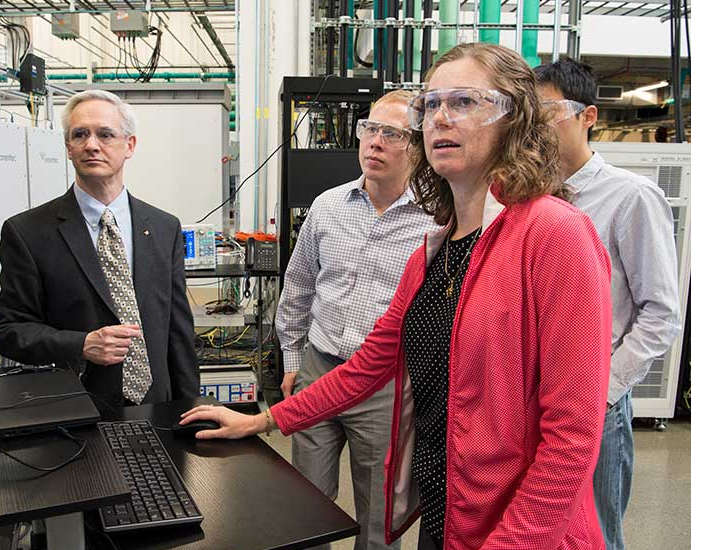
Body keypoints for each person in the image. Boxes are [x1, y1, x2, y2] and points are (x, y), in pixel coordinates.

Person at [182, 42, 612, 550]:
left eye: (465, 102)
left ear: (513, 119)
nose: (440, 119)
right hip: (445, 512)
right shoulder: (435, 248)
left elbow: (572, 439)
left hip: (520, 532)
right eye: (431, 105)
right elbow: (367, 367)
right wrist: (262, 420)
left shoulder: (554, 233)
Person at [276, 90, 439, 550]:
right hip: (319, 367)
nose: (374, 142)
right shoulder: (328, 206)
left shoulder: (436, 219)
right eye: (369, 129)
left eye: (391, 133)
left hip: (384, 386)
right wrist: (292, 359)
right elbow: (299, 287)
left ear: (418, 144)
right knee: (306, 504)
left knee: (378, 515)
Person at [535, 58, 682, 550]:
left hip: (595, 405)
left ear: (588, 117)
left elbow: (660, 311)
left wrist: (604, 388)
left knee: (595, 535)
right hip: (533, 401)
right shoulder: (524, 199)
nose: (536, 125)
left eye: (549, 111)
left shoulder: (630, 196)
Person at [0, 89, 199, 405]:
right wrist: (81, 344)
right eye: (80, 135)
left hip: (158, 408)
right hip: (75, 411)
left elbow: (178, 331)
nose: (91, 145)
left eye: (105, 134)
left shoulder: (163, 227)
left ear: (129, 145)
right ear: (68, 147)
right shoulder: (28, 233)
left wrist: (189, 407)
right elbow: (9, 331)